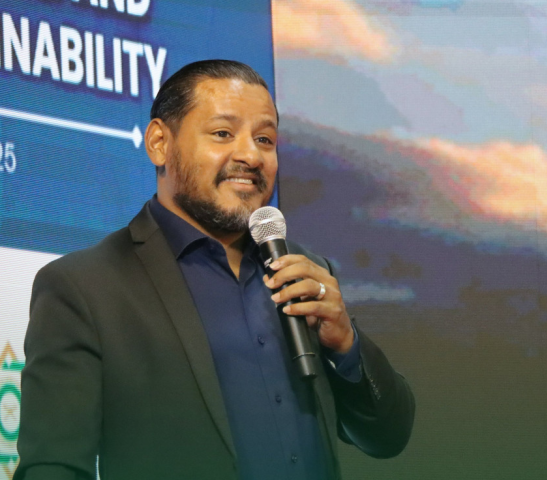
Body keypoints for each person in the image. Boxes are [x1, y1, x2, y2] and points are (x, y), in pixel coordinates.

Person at [13, 60, 415, 480]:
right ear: (159, 143)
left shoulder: (305, 274)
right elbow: (53, 466)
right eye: (223, 133)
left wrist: (346, 345)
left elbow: (388, 437)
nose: (250, 156)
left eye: (265, 139)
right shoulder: (86, 286)